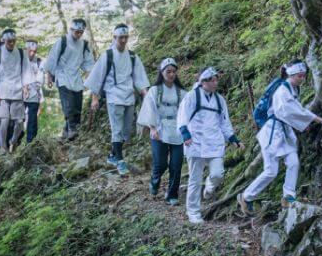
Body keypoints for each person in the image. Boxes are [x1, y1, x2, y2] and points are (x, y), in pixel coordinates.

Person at [237, 61, 322, 216]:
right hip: (272, 132)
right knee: (271, 171)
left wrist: (304, 123)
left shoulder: (293, 89)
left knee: (293, 162)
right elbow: (295, 112)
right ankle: (246, 197)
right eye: (300, 76)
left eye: (304, 76)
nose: (303, 79)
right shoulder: (282, 91)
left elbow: (296, 112)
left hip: (284, 131)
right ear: (291, 75)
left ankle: (288, 197)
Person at [176, 67, 243, 225]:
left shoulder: (220, 100)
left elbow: (224, 122)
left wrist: (233, 138)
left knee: (218, 174)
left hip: (214, 143)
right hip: (195, 142)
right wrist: (185, 133)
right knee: (194, 179)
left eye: (216, 79)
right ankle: (193, 212)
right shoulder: (192, 97)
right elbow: (182, 116)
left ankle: (210, 187)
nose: (216, 82)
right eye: (212, 80)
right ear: (203, 82)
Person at [85, 24, 149, 176]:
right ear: (114, 38)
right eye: (120, 37)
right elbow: (97, 77)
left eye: (125, 37)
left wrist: (145, 94)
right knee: (117, 130)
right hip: (113, 96)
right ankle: (120, 162)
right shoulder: (107, 55)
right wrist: (95, 98)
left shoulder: (133, 56)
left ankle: (112, 156)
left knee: (127, 132)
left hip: (129, 96)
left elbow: (139, 77)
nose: (123, 40)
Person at [137, 58, 185, 206]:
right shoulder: (154, 91)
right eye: (168, 71)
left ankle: (172, 194)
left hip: (177, 130)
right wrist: (152, 128)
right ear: (162, 72)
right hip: (159, 129)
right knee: (161, 163)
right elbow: (149, 109)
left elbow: (187, 110)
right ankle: (155, 180)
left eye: (173, 71)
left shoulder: (182, 92)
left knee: (176, 165)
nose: (171, 74)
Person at [0, 29, 33, 154]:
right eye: (9, 41)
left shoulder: (21, 53)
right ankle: (3, 147)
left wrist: (26, 87)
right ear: (4, 40)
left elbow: (26, 71)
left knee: (20, 122)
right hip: (2, 91)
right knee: (3, 120)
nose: (11, 43)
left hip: (17, 91)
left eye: (13, 41)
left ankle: (13, 141)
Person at [44, 18, 94, 140]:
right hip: (62, 76)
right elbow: (52, 59)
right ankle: (72, 129)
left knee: (77, 105)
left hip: (76, 77)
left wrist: (90, 75)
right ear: (71, 29)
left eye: (81, 32)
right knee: (68, 105)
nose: (78, 34)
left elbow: (88, 64)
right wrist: (49, 76)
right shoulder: (62, 41)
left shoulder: (84, 45)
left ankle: (66, 134)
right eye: (76, 31)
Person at [24, 40, 44, 144]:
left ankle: (30, 144)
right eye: (30, 51)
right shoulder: (19, 60)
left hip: (34, 96)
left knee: (32, 122)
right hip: (18, 96)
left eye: (34, 51)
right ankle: (12, 145)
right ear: (26, 49)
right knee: (17, 122)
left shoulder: (39, 62)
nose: (32, 53)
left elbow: (39, 80)